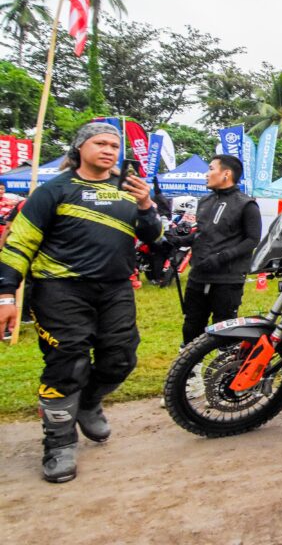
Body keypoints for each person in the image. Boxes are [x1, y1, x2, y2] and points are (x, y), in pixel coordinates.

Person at [0, 122, 163, 483]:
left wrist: (146, 205)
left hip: (115, 289)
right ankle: (58, 444)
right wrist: (6, 295)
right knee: (67, 364)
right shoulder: (54, 190)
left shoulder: (127, 190)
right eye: (100, 143)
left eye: (114, 146)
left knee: (121, 359)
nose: (108, 150)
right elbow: (18, 244)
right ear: (79, 148)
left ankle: (87, 404)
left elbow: (153, 236)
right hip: (59, 289)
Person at [178, 154, 261, 348]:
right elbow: (202, 233)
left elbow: (252, 240)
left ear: (226, 174)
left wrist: (222, 257)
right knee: (191, 324)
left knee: (224, 328)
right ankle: (190, 364)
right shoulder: (205, 201)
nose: (206, 174)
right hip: (199, 275)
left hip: (227, 278)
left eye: (211, 169)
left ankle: (224, 364)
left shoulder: (247, 204)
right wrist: (180, 240)